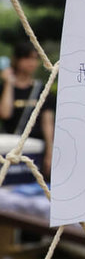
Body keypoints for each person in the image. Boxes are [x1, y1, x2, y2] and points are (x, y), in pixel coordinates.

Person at [0, 41, 54, 180]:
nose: (32, 63)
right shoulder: (5, 88)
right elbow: (5, 113)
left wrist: (50, 151)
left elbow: (47, 123)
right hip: (12, 149)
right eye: (27, 58)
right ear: (17, 60)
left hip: (37, 149)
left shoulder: (42, 89)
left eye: (35, 58)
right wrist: (8, 84)